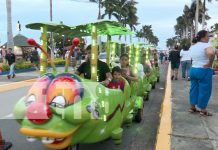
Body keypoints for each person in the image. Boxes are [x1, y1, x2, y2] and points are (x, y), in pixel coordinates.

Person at [188, 30, 215, 116]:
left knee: (194, 88)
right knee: (205, 90)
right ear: (203, 37)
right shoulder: (207, 45)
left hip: (193, 70)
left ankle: (192, 107)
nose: (208, 38)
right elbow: (211, 53)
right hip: (204, 70)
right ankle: (203, 109)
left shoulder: (193, 46)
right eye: (207, 36)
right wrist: (210, 63)